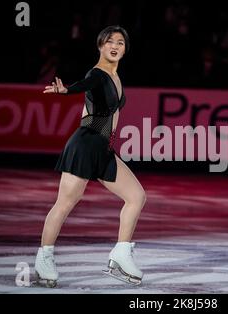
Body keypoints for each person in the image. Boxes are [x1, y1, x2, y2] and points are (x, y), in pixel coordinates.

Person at [35, 25, 146, 287]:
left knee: (136, 197)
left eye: (120, 42)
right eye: (109, 42)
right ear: (100, 46)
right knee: (65, 203)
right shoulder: (97, 74)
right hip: (85, 145)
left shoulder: (117, 77)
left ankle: (120, 253)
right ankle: (44, 257)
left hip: (103, 148)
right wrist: (66, 91)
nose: (115, 46)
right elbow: (84, 85)